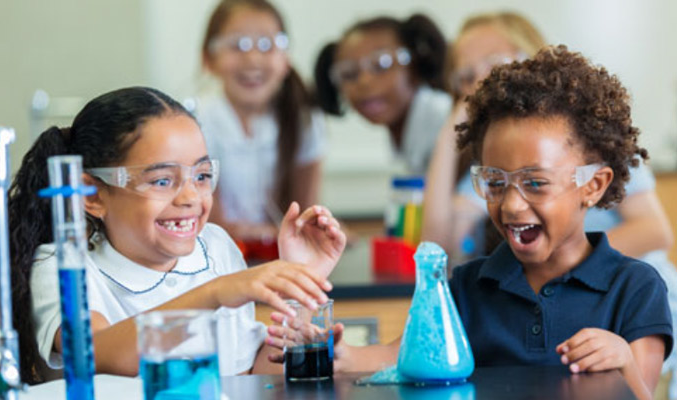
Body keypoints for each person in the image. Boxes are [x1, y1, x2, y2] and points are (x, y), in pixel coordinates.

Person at [268, 46, 673, 400]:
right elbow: (393, 358)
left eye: (535, 183)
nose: (512, 205)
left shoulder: (634, 289)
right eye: (495, 182)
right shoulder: (466, 286)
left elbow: (640, 394)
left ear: (593, 185)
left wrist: (622, 361)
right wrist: (336, 352)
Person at [0, 86, 346, 384]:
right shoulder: (64, 267)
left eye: (201, 176)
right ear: (92, 194)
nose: (190, 198)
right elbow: (97, 352)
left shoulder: (215, 249)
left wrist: (304, 285)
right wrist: (216, 293)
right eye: (162, 180)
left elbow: (248, 375)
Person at [197, 0, 326, 243]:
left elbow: (307, 216)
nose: (253, 59)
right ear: (209, 59)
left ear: (285, 59)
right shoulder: (196, 122)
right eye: (237, 45)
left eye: (267, 45)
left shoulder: (305, 120)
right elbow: (212, 225)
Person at [421, 11, 546, 259]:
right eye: (467, 77)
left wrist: (565, 268)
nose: (481, 82)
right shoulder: (494, 166)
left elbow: (647, 227)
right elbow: (437, 251)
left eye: (495, 64)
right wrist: (449, 134)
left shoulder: (587, 135)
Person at [314, 14, 451, 176]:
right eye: (349, 73)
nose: (365, 82)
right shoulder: (407, 128)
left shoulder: (444, 121)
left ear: (415, 64)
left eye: (381, 64)